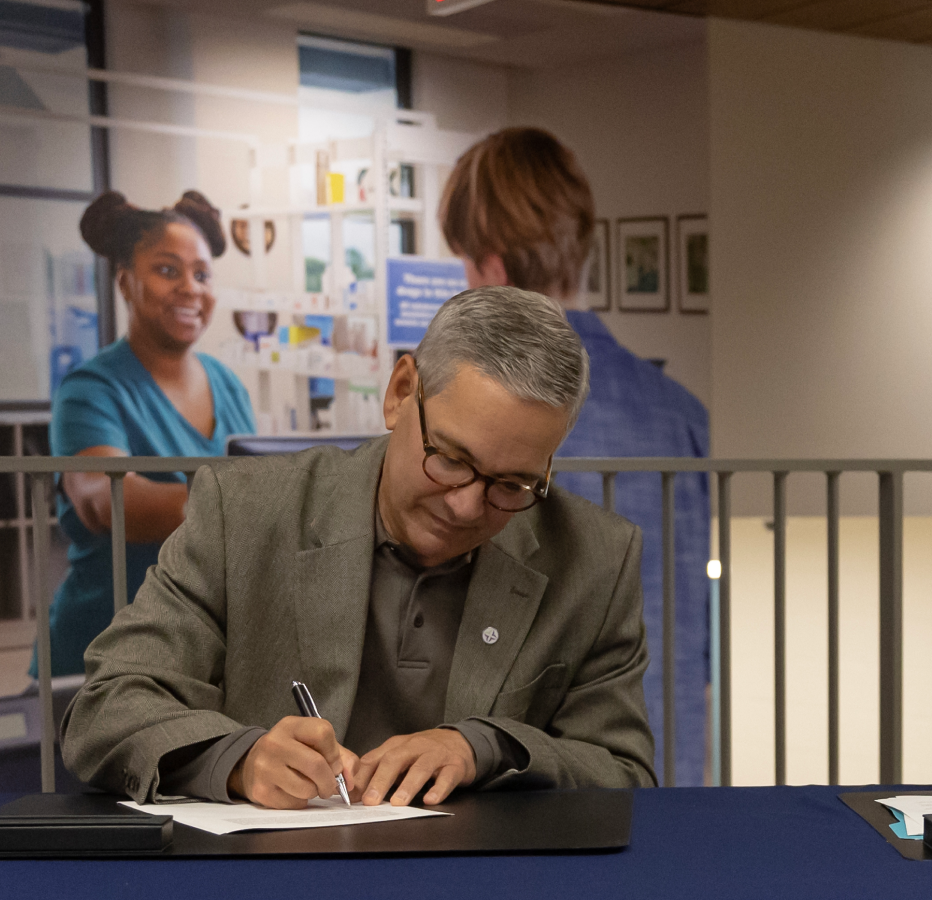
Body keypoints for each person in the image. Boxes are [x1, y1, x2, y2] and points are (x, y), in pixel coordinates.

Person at [62, 286, 656, 808]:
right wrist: (237, 761)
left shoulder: (595, 558)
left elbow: (625, 774)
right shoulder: (244, 513)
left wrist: (489, 748)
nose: (466, 506)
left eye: (511, 484)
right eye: (450, 459)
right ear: (400, 393)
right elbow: (106, 706)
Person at [439, 126, 710, 786]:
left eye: (466, 267)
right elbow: (696, 631)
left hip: (523, 785)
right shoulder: (681, 415)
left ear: (494, 270)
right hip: (665, 768)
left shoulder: (465, 419)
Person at [32, 190, 254, 680]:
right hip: (99, 656)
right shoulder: (90, 390)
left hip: (201, 654)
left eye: (202, 274)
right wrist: (241, 508)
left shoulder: (229, 386)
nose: (190, 289)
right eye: (168, 270)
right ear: (126, 284)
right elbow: (104, 500)